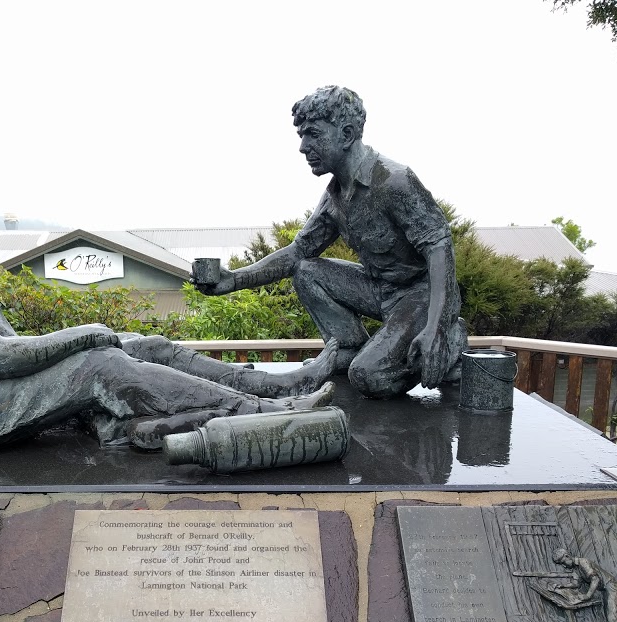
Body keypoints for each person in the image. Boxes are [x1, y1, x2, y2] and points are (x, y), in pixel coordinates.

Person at [0, 112, 337, 455]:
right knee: (100, 362)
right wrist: (85, 333)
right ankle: (263, 411)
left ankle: (273, 389)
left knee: (144, 346)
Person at [198, 85, 467, 398]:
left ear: (347, 134)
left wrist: (436, 327)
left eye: (312, 134)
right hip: (380, 290)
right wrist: (234, 280)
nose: (303, 146)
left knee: (369, 376)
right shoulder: (335, 196)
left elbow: (439, 248)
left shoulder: (394, 180)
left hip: (420, 296)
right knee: (306, 269)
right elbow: (298, 252)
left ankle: (450, 342)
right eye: (302, 135)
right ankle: (350, 349)